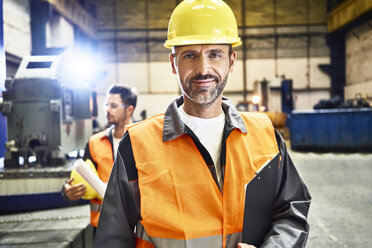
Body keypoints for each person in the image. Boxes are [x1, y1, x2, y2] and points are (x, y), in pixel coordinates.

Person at [94, 1, 311, 247]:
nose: (203, 69)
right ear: (173, 63)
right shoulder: (136, 145)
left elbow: (292, 213)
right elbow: (112, 239)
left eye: (214, 54)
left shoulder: (266, 136)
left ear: (231, 61)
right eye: (189, 55)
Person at [62, 85, 137, 230]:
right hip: (104, 225)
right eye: (106, 105)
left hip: (136, 224)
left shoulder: (143, 140)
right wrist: (67, 191)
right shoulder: (94, 142)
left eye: (113, 106)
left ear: (129, 110)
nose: (107, 110)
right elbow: (81, 176)